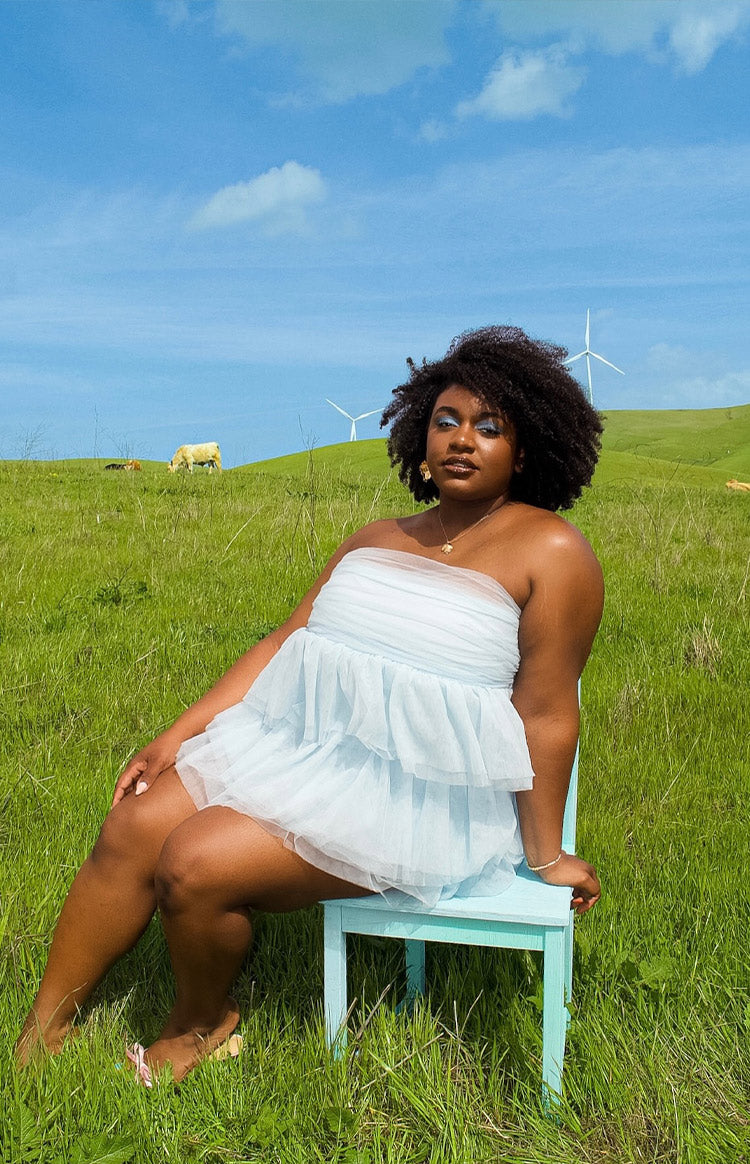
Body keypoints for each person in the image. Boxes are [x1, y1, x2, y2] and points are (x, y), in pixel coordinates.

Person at [17, 324, 604, 1084]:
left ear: (524, 451)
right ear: (420, 436)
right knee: (132, 824)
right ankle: (41, 1034)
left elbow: (547, 713)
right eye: (446, 421)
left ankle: (201, 1024)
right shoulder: (374, 538)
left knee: (195, 863)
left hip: (415, 796)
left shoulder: (553, 551)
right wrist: (174, 737)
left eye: (489, 427)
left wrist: (547, 855)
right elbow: (284, 643)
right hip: (301, 750)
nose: (462, 440)